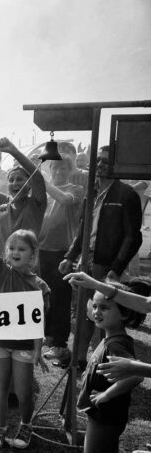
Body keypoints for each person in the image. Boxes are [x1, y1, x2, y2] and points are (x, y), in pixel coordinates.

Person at [59, 146, 143, 369]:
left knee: (105, 317)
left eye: (106, 161)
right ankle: (78, 360)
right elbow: (83, 230)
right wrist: (70, 256)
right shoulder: (91, 193)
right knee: (85, 312)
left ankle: (105, 363)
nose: (101, 165)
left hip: (107, 265)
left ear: (116, 165)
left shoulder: (127, 194)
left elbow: (133, 237)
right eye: (98, 161)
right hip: (87, 262)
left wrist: (116, 267)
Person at [0, 206, 48, 449]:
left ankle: (26, 426)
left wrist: (38, 349)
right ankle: (0, 428)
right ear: (6, 252)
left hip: (24, 346)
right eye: (12, 248)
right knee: (0, 389)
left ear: (33, 254)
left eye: (22, 248)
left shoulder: (40, 286)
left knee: (24, 392)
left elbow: (39, 321)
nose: (16, 252)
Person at [72, 281, 145, 453]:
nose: (96, 312)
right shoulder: (109, 338)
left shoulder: (116, 343)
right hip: (102, 416)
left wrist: (106, 394)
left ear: (124, 314)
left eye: (104, 307)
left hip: (106, 417)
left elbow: (135, 375)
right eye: (94, 306)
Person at [38, 157, 84, 367]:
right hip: (41, 250)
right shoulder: (43, 191)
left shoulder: (76, 189)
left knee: (61, 298)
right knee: (44, 296)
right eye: (54, 167)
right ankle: (48, 336)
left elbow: (65, 199)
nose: (58, 171)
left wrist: (42, 182)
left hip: (62, 252)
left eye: (62, 168)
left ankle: (61, 344)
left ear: (69, 170)